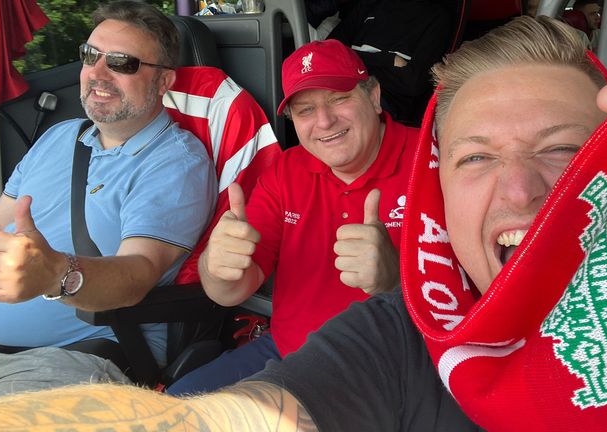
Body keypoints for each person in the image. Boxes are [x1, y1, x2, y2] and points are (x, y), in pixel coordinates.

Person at [0, 0, 607, 430]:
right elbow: (234, 339)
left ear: (372, 97)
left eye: (561, 151)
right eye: (479, 158)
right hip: (296, 363)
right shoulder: (288, 178)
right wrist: (229, 273)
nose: (520, 189)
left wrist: (393, 277)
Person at [165, 38, 419, 395]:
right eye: (305, 110)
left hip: (395, 367)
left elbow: (479, 300)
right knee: (175, 408)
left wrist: (395, 284)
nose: (325, 121)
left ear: (373, 96)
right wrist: (217, 267)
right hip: (290, 355)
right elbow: (233, 289)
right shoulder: (284, 171)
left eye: (339, 98)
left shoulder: (432, 161)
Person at [0, 0, 216, 396]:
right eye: (90, 56)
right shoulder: (59, 136)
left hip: (65, 357)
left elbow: (138, 273)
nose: (96, 73)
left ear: (164, 82)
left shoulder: (175, 162)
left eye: (121, 63)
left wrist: (56, 273)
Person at [328, 0, 452, 125]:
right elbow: (328, 51)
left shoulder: (437, 16)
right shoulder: (369, 5)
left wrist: (354, 59)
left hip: (386, 100)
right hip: (340, 84)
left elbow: (413, 83)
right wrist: (389, 60)